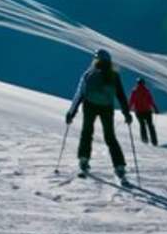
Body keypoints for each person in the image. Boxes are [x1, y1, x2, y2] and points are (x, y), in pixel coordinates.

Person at [65, 48, 133, 180]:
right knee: (110, 136)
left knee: (87, 132)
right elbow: (121, 96)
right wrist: (127, 114)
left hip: (89, 105)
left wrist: (71, 113)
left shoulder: (88, 74)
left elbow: (79, 94)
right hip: (107, 107)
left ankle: (84, 159)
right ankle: (119, 166)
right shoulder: (114, 75)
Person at [129, 77, 159, 145]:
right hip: (147, 111)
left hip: (139, 112)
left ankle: (144, 140)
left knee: (142, 125)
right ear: (143, 83)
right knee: (150, 126)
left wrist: (128, 109)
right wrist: (155, 108)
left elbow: (131, 101)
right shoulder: (146, 90)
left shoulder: (134, 91)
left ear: (137, 83)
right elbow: (151, 101)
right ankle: (154, 141)